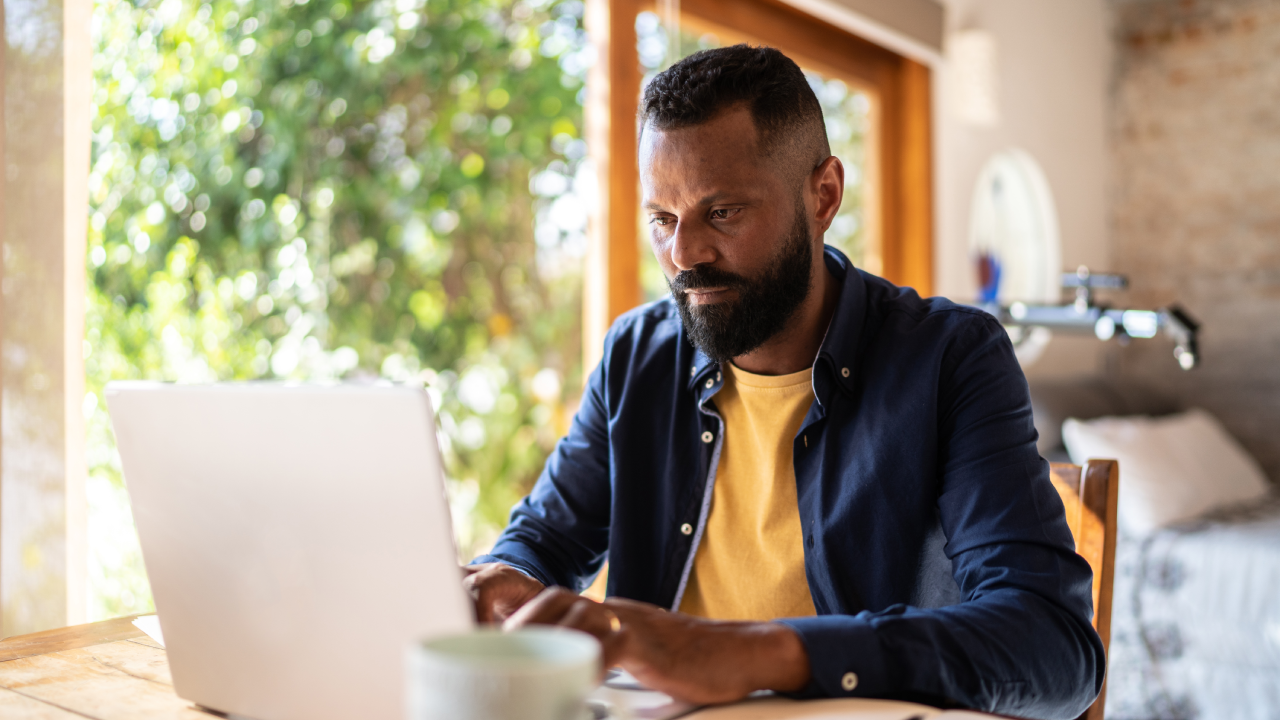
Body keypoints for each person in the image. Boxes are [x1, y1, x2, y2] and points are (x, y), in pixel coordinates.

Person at [463, 44, 1104, 719]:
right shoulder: (637, 355)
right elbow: (546, 541)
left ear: (823, 194)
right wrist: (508, 583)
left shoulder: (950, 358)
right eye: (663, 220)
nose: (684, 255)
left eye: (723, 213)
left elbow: (1054, 648)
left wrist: (751, 653)